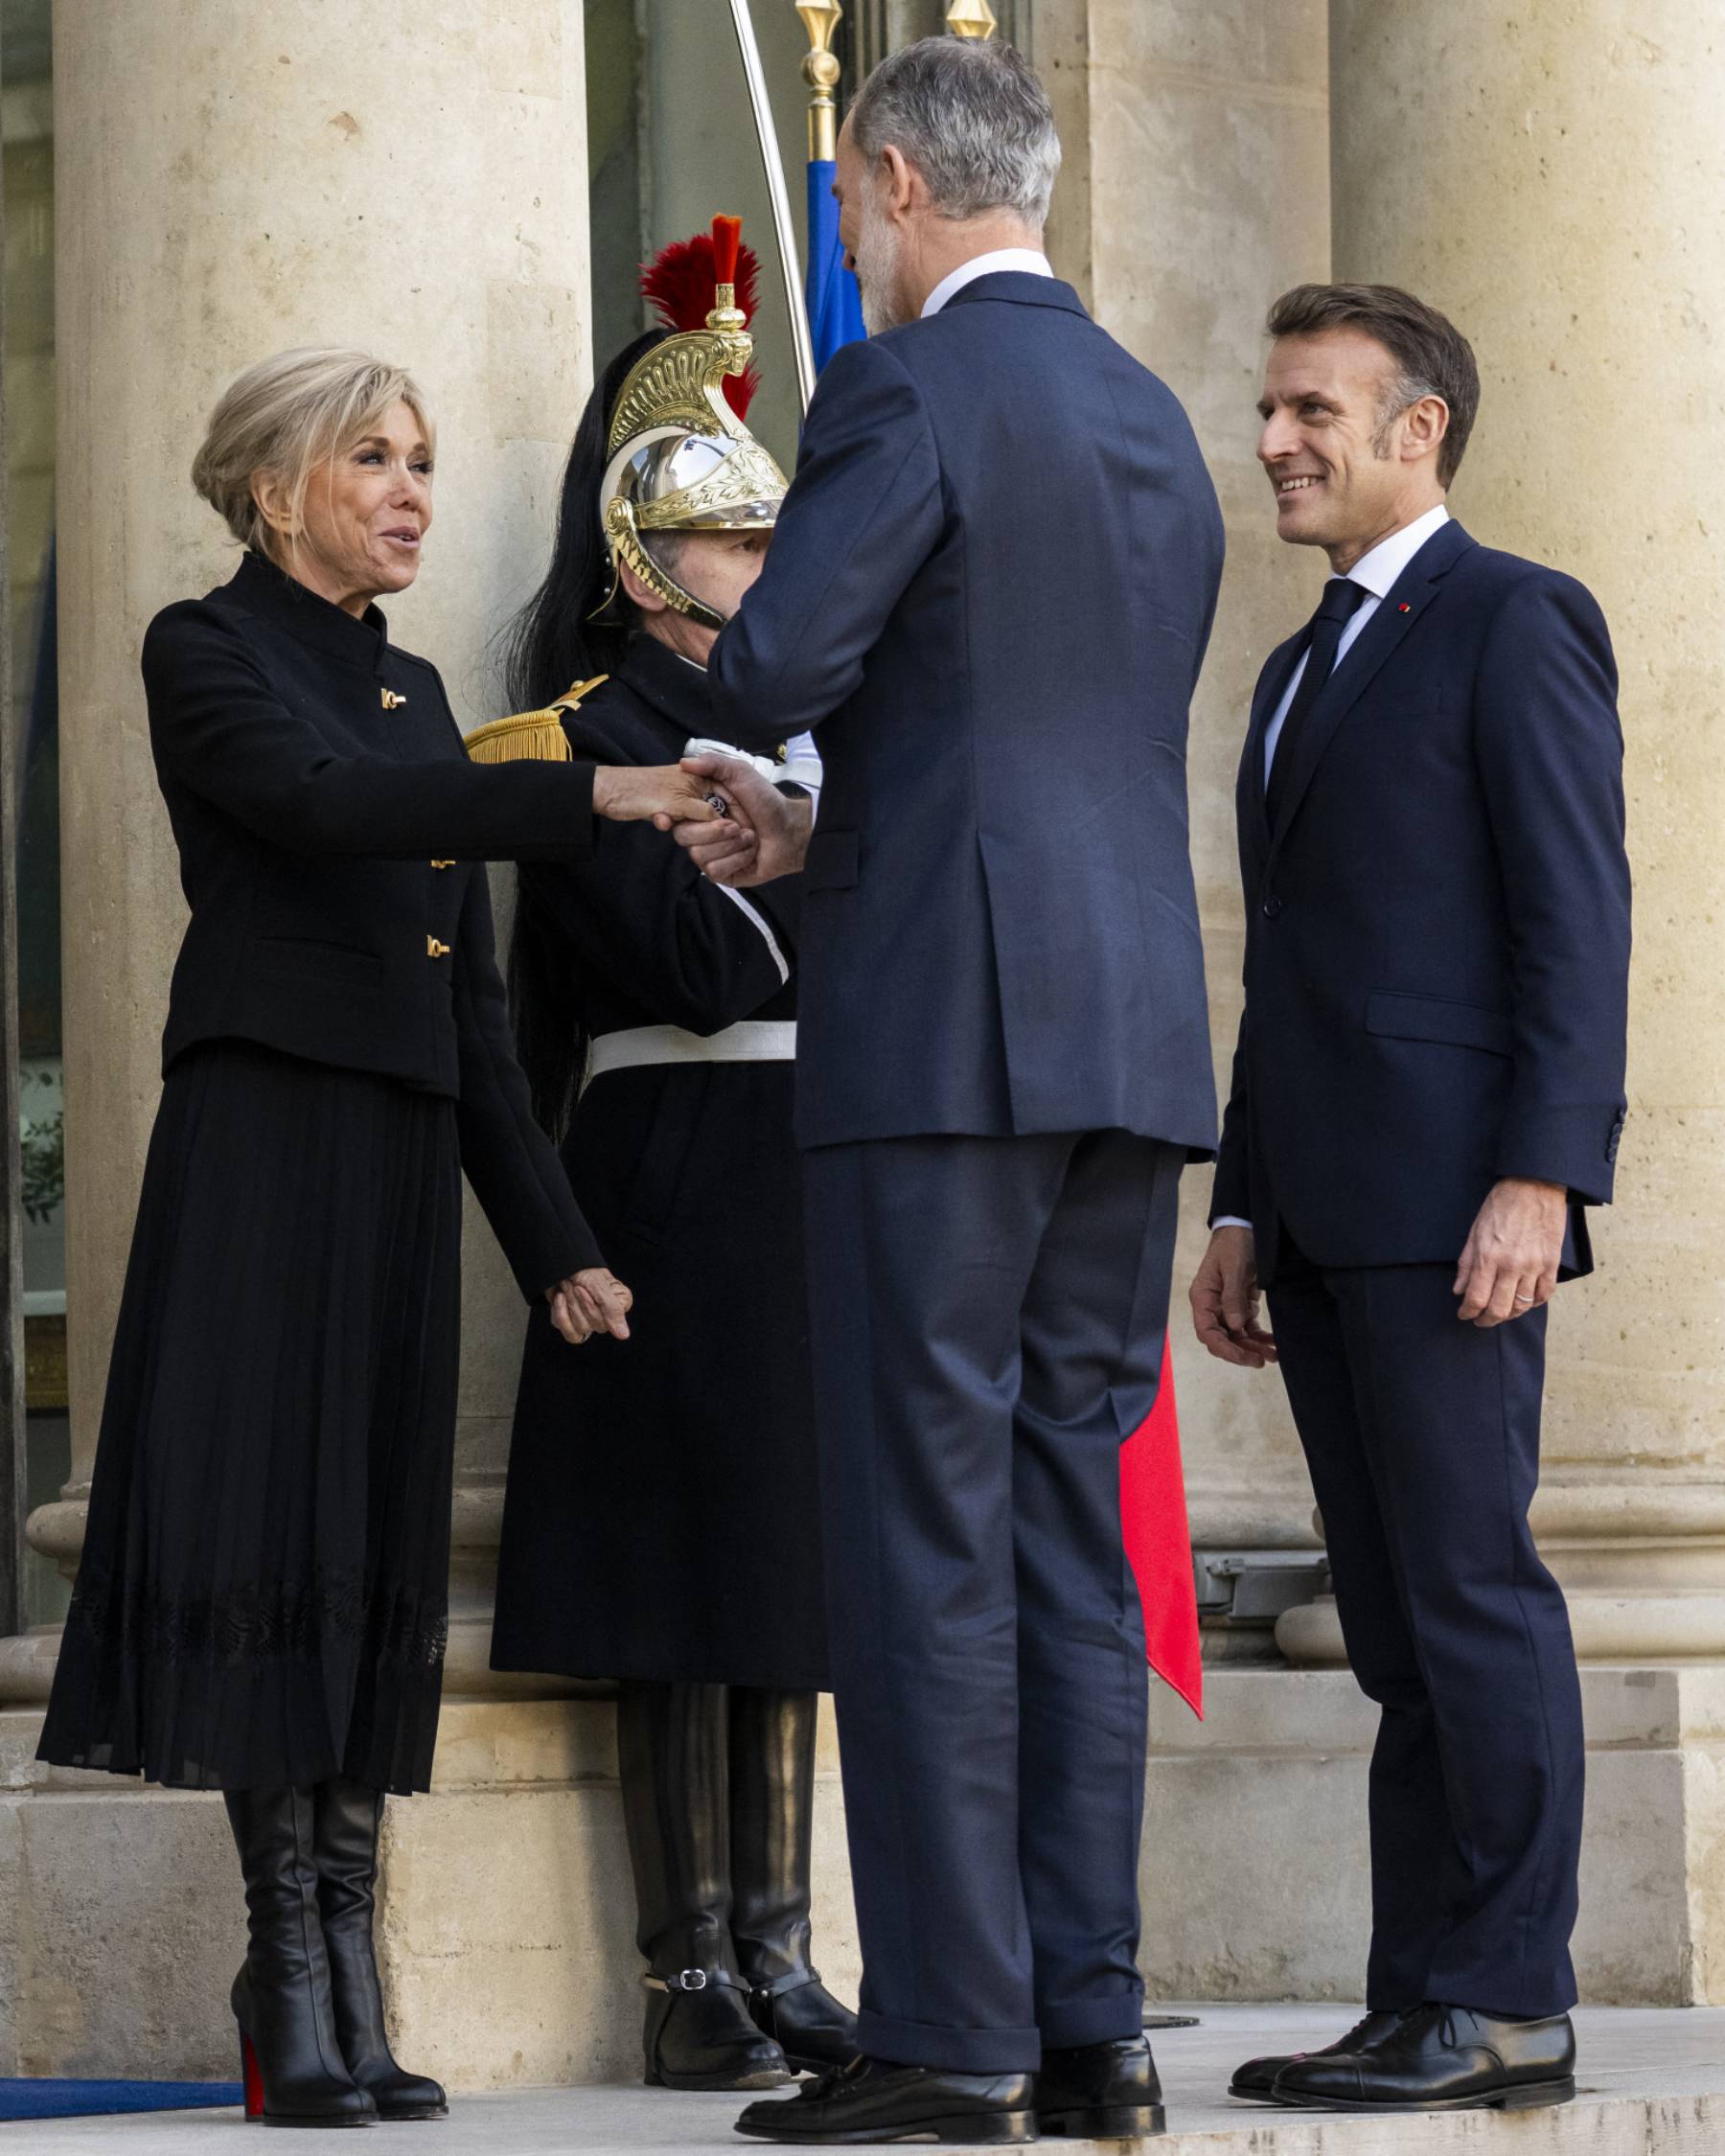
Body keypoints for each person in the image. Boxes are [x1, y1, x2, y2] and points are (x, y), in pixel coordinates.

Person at [34, 347, 719, 2129]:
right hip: (267, 1145)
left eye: (421, 459)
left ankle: (346, 1954)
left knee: (367, 1551)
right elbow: (327, 808)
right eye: (375, 461)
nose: (415, 489)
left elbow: (469, 1010)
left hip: (405, 1154)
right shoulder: (204, 649)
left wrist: (555, 1240)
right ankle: (289, 1961)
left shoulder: (417, 692)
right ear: (277, 490)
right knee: (273, 1528)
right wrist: (590, 791)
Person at [676, 41, 1225, 2145]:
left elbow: (779, 668)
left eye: (843, 204)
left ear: (899, 182)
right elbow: (1027, 722)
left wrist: (754, 703)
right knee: (1073, 1531)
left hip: (942, 1037)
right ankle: (1093, 2029)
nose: (847, 238)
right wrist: (844, 831)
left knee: (920, 1528)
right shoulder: (1151, 409)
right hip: (1125, 1031)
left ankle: (950, 2031)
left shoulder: (904, 392)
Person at [1188, 284, 1630, 2115]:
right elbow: (1285, 963)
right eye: (1272, 409)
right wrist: (1241, 1203)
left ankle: (1510, 1999)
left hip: (1459, 1208)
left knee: (1470, 1592)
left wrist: (1540, 1172)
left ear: (1416, 426)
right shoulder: (1294, 669)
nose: (1275, 441)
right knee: (1392, 1622)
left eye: (1311, 409)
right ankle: (1415, 1996)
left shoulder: (1516, 617)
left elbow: (1574, 919)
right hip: (1322, 1211)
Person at [476, 221, 856, 2095]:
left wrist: (803, 829)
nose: (769, 567)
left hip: (804, 1158)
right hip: (667, 1155)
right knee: (675, 1574)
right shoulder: (577, 744)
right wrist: (819, 854)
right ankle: (685, 1957)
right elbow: (698, 966)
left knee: (788, 1565)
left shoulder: (809, 738)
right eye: (737, 541)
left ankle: (783, 1941)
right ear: (646, 562)